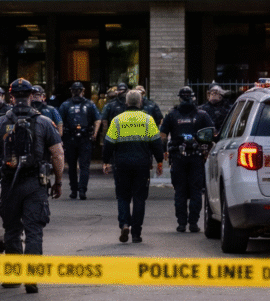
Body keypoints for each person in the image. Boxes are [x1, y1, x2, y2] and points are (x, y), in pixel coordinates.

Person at [0, 78, 65, 294]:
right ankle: (32, 277)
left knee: (11, 229)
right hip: (35, 184)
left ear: (11, 97)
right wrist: (58, 181)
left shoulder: (0, 123)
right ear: (31, 96)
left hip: (9, 184)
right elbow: (57, 154)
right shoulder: (45, 122)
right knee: (34, 231)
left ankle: (12, 277)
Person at [102, 90, 166, 244]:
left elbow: (108, 143)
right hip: (142, 165)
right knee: (139, 198)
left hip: (122, 164)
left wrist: (105, 161)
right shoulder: (148, 120)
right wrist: (159, 161)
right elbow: (156, 143)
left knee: (123, 196)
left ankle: (124, 224)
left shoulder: (117, 120)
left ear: (126, 103)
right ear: (140, 102)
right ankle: (136, 233)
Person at [161, 86, 214, 233]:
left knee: (180, 191)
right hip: (196, 157)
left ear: (180, 98)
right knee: (196, 190)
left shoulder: (172, 115)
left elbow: (163, 136)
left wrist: (164, 152)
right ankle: (193, 224)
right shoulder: (202, 114)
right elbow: (211, 134)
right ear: (193, 97)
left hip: (177, 157)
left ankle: (182, 224)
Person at [58, 81, 101, 200]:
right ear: (83, 91)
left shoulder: (65, 105)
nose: (77, 93)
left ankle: (76, 190)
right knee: (83, 166)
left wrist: (60, 136)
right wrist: (95, 134)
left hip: (73, 138)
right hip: (83, 137)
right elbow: (98, 120)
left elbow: (59, 122)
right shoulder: (89, 104)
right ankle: (81, 190)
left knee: (73, 166)